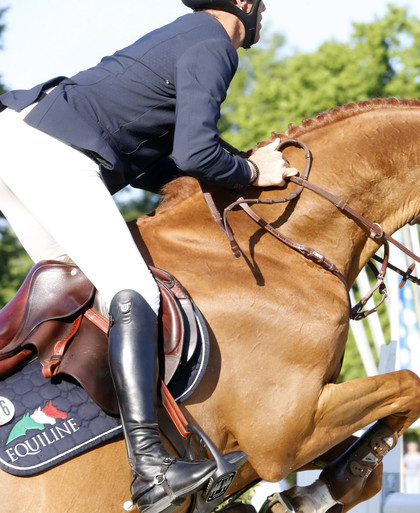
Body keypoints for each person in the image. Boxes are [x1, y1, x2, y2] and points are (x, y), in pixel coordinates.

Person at [0, 1, 297, 513]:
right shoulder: (214, 45)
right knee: (132, 293)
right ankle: (152, 472)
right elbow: (197, 153)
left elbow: (153, 163)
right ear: (243, 3)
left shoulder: (183, 36)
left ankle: (88, 448)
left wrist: (227, 174)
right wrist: (251, 171)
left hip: (19, 145)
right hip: (50, 154)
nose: (264, 12)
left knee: (85, 297)